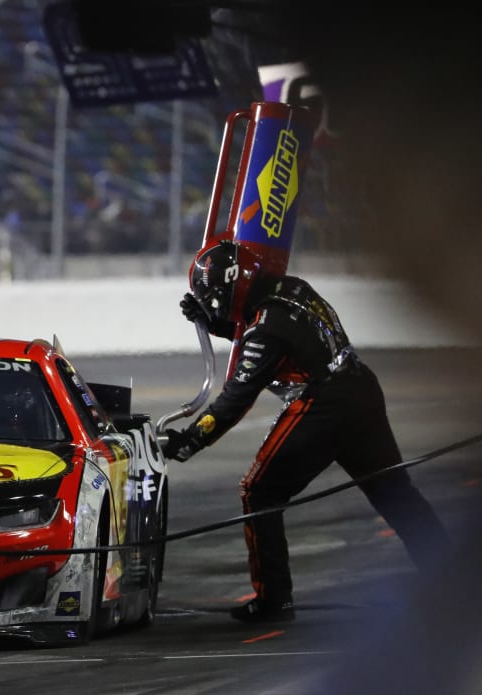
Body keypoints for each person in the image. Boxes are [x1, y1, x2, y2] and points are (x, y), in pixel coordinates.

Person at [160, 240, 451, 624]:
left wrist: (189, 441)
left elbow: (236, 397)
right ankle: (454, 581)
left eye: (215, 299)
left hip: (324, 407)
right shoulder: (292, 287)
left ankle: (273, 601)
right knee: (395, 492)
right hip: (360, 388)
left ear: (233, 286)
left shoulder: (266, 329)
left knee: (259, 491)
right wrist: (217, 323)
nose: (215, 306)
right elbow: (275, 334)